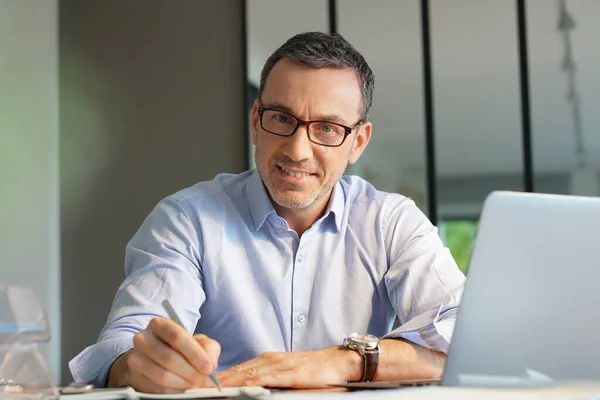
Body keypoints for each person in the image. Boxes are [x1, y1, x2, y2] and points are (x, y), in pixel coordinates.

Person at [69, 31, 465, 393]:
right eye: (281, 119)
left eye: (327, 128)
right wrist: (139, 366)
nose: (297, 150)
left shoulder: (392, 221)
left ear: (358, 141)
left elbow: (460, 335)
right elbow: (125, 343)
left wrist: (336, 363)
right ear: (256, 121)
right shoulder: (186, 219)